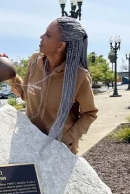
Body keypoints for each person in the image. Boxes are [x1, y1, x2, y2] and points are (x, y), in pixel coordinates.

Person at [6, 17, 98, 154]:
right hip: (30, 144)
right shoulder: (34, 61)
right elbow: (26, 95)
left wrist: (66, 140)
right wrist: (10, 73)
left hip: (60, 151)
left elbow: (89, 114)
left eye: (48, 35)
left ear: (60, 46)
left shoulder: (79, 76)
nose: (41, 37)